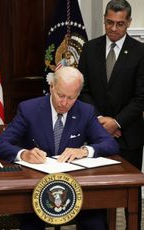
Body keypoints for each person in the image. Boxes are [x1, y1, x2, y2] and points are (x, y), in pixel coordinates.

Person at [0, 66, 119, 230]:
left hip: (75, 187)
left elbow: (110, 144)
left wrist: (85, 151)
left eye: (71, 98)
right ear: (52, 87)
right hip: (34, 189)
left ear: (78, 94)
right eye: (61, 95)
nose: (64, 103)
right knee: (31, 225)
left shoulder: (85, 111)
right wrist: (23, 154)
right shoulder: (29, 109)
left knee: (95, 223)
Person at [78, 0, 144, 229]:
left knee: (130, 195)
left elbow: (141, 98)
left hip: (129, 136)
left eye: (120, 24)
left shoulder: (140, 52)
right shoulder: (89, 48)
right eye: (109, 22)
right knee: (96, 193)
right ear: (104, 19)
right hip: (95, 134)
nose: (114, 29)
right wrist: (100, 123)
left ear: (129, 23)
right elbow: (83, 91)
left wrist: (116, 122)